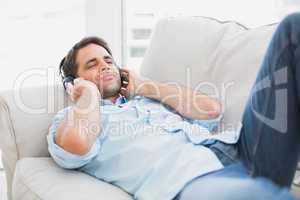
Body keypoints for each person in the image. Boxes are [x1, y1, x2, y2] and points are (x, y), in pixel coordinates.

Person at [46, 12, 300, 200]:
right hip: (193, 182)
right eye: (92, 64)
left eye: (108, 59)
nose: (104, 65)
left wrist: (144, 86)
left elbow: (211, 109)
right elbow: (77, 146)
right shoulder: (72, 118)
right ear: (74, 80)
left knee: (292, 29)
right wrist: (88, 94)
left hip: (240, 151)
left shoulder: (147, 100)